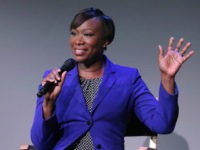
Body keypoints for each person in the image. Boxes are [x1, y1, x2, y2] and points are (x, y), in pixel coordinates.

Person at [30, 7, 194, 150]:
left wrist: (167, 77)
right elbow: (41, 144)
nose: (78, 41)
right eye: (74, 33)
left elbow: (162, 124)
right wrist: (48, 104)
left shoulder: (128, 79)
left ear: (105, 41)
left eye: (87, 34)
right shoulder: (56, 79)